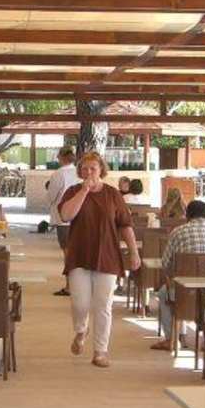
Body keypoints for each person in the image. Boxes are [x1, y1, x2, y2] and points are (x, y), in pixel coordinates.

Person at [58, 151, 140, 368]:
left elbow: (125, 225)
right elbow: (66, 215)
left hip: (107, 255)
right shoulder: (73, 191)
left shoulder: (113, 195)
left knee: (103, 305)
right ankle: (81, 330)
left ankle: (100, 351)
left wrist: (134, 252)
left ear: (101, 170)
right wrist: (84, 191)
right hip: (79, 255)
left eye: (93, 168)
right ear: (79, 171)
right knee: (80, 303)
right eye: (84, 169)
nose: (89, 172)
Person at [151, 200, 205, 350]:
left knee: (163, 293)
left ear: (187, 215)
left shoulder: (178, 231)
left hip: (184, 292)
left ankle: (172, 339)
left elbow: (165, 263)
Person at [46, 148, 79, 295]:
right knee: (77, 252)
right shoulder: (79, 172)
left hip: (64, 218)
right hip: (79, 217)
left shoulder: (59, 174)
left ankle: (70, 286)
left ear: (61, 157)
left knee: (68, 254)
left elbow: (51, 196)